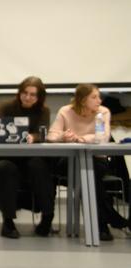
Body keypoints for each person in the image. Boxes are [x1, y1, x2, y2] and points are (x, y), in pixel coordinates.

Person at [47, 83, 127, 240]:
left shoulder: (103, 112)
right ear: (83, 100)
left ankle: (105, 224)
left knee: (90, 174)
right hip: (69, 161)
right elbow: (51, 135)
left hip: (96, 160)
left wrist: (80, 138)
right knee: (87, 175)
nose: (99, 100)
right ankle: (106, 223)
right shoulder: (66, 111)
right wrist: (63, 136)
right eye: (94, 97)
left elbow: (103, 137)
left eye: (99, 96)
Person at [0, 76, 56, 238]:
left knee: (38, 166)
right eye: (25, 93)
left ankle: (47, 217)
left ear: (39, 97)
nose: (28, 97)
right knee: (3, 168)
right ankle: (8, 222)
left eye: (33, 95)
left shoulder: (43, 110)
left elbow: (43, 132)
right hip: (8, 156)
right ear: (19, 93)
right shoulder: (5, 106)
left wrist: (33, 137)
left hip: (31, 157)